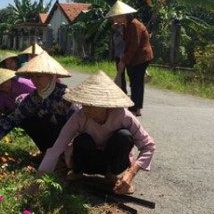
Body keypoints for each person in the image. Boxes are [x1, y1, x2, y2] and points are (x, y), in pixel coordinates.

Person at [26, 71, 155, 195]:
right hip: (88, 161)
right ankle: (78, 172)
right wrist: (36, 183)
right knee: (83, 139)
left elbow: (148, 146)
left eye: (91, 105)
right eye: (84, 104)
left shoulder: (123, 116)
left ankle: (111, 175)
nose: (85, 109)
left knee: (124, 136)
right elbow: (56, 148)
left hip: (112, 161)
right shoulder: (79, 116)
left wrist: (130, 173)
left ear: (105, 105)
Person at [0, 51, 78, 155]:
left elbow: (79, 124)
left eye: (39, 77)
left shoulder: (66, 95)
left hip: (70, 140)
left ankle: (63, 159)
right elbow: (14, 117)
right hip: (51, 137)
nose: (35, 81)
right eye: (32, 77)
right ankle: (47, 152)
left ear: (51, 76)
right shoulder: (34, 97)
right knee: (27, 120)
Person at [106, 0, 153, 117]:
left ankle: (134, 109)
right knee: (137, 83)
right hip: (135, 58)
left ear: (123, 16)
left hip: (141, 57)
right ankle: (137, 108)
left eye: (116, 17)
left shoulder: (134, 25)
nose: (115, 20)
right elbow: (128, 43)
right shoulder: (127, 25)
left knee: (136, 83)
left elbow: (134, 45)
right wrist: (124, 56)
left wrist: (124, 60)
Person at [112, 22, 127, 94]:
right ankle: (123, 90)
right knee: (121, 74)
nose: (118, 29)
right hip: (118, 57)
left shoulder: (126, 35)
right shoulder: (115, 35)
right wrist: (121, 35)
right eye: (117, 27)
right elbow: (116, 42)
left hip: (126, 56)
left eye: (119, 27)